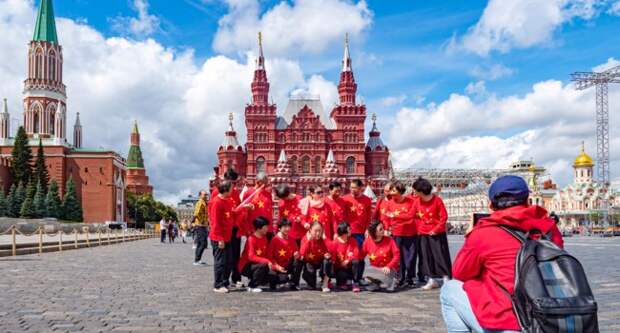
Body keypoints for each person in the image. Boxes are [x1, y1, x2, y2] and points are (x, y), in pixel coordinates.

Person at [441, 175, 564, 333]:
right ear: (527, 201)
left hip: (509, 322)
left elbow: (460, 273)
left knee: (449, 289)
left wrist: (470, 237)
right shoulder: (549, 228)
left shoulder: (484, 232)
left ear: (491, 205)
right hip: (549, 318)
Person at [413, 177, 451, 290]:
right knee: (426, 257)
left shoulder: (437, 200)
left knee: (440, 256)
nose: (413, 192)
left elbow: (444, 217)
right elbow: (410, 215)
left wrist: (436, 229)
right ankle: (431, 279)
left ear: (421, 191)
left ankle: (446, 278)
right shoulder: (416, 202)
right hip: (423, 233)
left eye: (415, 190)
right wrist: (394, 217)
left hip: (437, 234)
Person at [212, 168, 245, 290]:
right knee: (222, 259)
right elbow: (215, 218)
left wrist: (243, 208)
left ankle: (232, 279)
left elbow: (235, 210)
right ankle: (221, 281)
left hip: (233, 228)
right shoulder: (217, 195)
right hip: (223, 231)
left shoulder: (233, 193)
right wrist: (219, 237)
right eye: (233, 183)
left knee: (233, 256)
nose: (234, 186)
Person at [238, 216, 286, 293]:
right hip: (247, 266)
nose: (268, 228)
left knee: (282, 278)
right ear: (259, 228)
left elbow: (268, 255)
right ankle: (252, 286)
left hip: (261, 266)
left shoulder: (264, 238)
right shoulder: (251, 239)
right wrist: (266, 261)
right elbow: (251, 257)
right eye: (266, 227)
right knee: (262, 264)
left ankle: (260, 281)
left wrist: (276, 266)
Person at [385, 181, 418, 288]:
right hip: (396, 234)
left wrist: (395, 215)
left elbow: (410, 216)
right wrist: (387, 227)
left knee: (410, 257)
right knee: (398, 257)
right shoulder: (390, 203)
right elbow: (386, 217)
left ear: (400, 191)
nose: (391, 192)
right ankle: (400, 277)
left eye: (393, 190)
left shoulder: (411, 201)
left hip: (411, 234)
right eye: (391, 190)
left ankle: (410, 277)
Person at [342, 179, 372, 283]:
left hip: (361, 233)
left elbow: (369, 217)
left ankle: (358, 278)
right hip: (348, 233)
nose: (352, 189)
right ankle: (349, 277)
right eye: (351, 187)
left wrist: (368, 229)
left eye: (354, 187)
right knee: (348, 255)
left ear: (360, 188)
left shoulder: (367, 200)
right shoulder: (345, 199)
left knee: (360, 256)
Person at [361, 220, 400, 292]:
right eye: (380, 229)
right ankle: (376, 283)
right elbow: (361, 256)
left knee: (386, 276)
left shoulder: (390, 240)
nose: (383, 230)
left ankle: (391, 282)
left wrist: (389, 266)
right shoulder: (367, 242)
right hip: (376, 269)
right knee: (365, 271)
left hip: (388, 269)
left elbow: (396, 255)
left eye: (383, 228)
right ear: (374, 232)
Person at [267, 219, 302, 291]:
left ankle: (294, 283)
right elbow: (270, 257)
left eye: (289, 227)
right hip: (277, 266)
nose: (287, 229)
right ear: (279, 228)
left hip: (287, 265)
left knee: (299, 262)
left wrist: (297, 255)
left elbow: (297, 252)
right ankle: (277, 282)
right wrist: (277, 267)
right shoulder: (274, 240)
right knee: (276, 277)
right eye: (285, 227)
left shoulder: (292, 239)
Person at [327, 222, 361, 292]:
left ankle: (355, 282)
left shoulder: (353, 240)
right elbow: (332, 258)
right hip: (339, 268)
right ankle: (342, 282)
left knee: (356, 262)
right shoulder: (335, 243)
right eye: (349, 229)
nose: (351, 230)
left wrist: (348, 260)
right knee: (341, 277)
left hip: (350, 266)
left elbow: (356, 254)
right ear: (343, 231)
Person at [299, 222, 333, 292]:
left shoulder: (322, 239)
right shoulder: (305, 239)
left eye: (320, 231)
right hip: (309, 262)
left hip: (319, 262)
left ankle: (325, 283)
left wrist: (326, 254)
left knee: (328, 260)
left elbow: (329, 250)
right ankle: (306, 276)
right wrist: (308, 240)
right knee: (312, 286)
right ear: (310, 230)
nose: (318, 233)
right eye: (315, 231)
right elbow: (302, 253)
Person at [241, 172, 275, 239]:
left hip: (268, 228)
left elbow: (270, 210)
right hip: (254, 228)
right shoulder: (249, 193)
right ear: (258, 182)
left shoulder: (268, 194)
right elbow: (243, 210)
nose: (266, 184)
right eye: (265, 182)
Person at [193, 190, 209, 266]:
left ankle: (198, 260)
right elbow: (196, 213)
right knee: (202, 243)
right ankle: (196, 260)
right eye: (204, 194)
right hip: (200, 225)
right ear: (200, 195)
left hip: (202, 225)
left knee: (200, 244)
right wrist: (193, 222)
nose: (206, 196)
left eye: (206, 194)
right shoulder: (200, 202)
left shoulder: (204, 203)